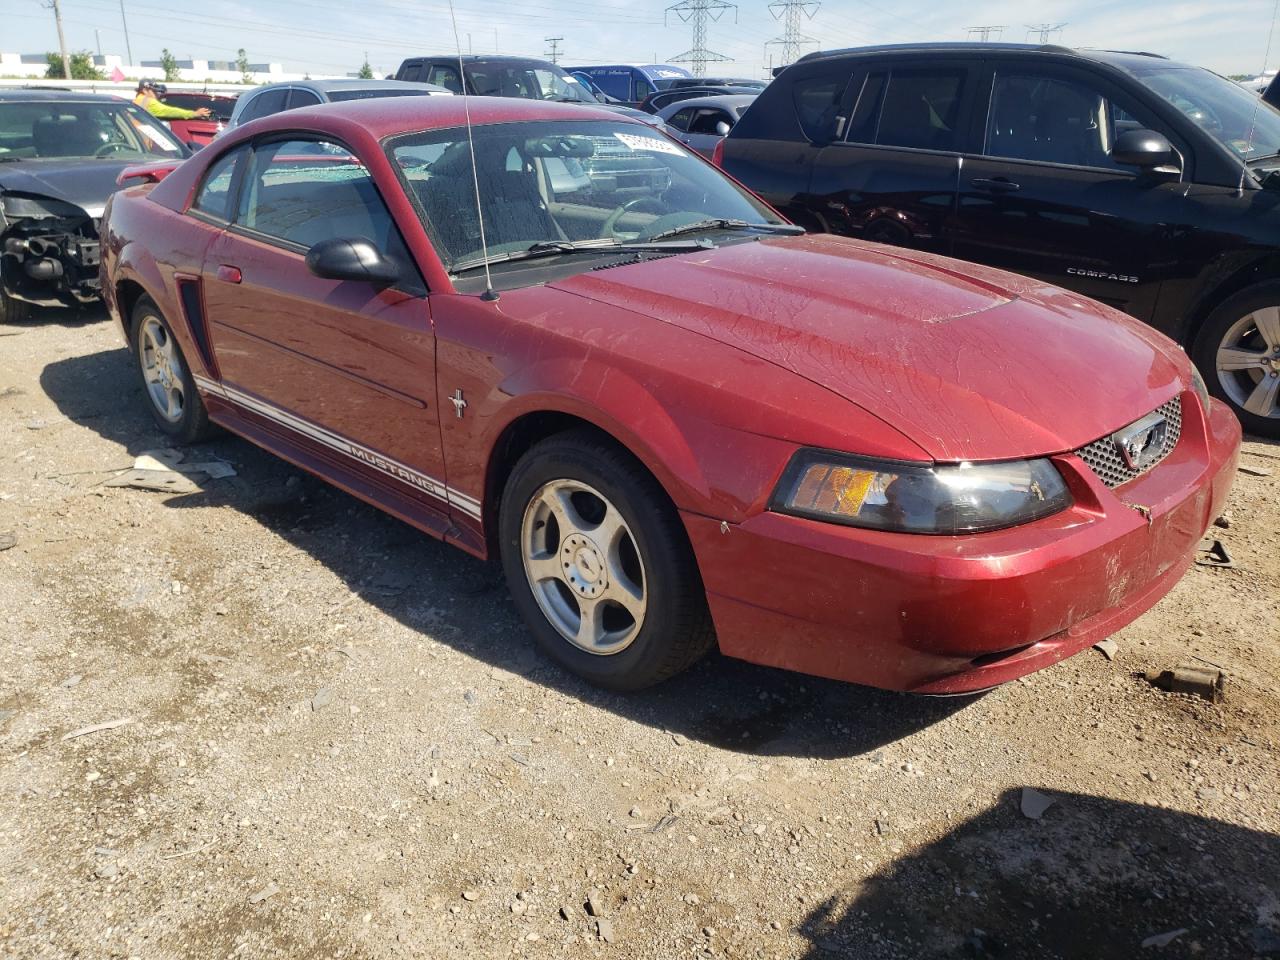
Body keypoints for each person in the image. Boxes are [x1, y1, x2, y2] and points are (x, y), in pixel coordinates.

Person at [133, 80, 211, 120]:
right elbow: (170, 111)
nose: (157, 95)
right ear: (145, 90)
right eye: (154, 91)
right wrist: (194, 114)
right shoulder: (149, 102)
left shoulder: (135, 101)